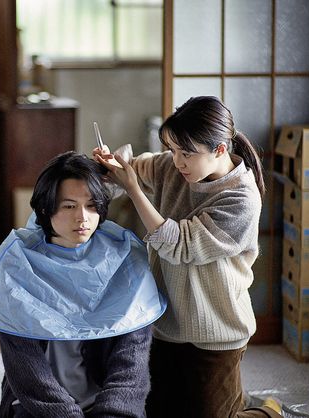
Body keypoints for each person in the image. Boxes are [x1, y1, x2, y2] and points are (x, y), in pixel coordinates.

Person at [94, 96, 281, 418]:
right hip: (165, 322)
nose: (177, 162)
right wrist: (113, 165)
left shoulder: (241, 199)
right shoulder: (173, 166)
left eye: (187, 153)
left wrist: (135, 190)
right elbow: (133, 169)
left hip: (216, 330)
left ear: (220, 149)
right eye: (172, 150)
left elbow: (178, 246)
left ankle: (269, 412)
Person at [0, 151, 166, 417]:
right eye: (69, 206)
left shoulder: (127, 261)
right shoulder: (16, 266)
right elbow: (29, 375)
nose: (82, 218)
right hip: (39, 407)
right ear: (45, 209)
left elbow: (130, 369)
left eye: (92, 205)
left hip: (106, 406)